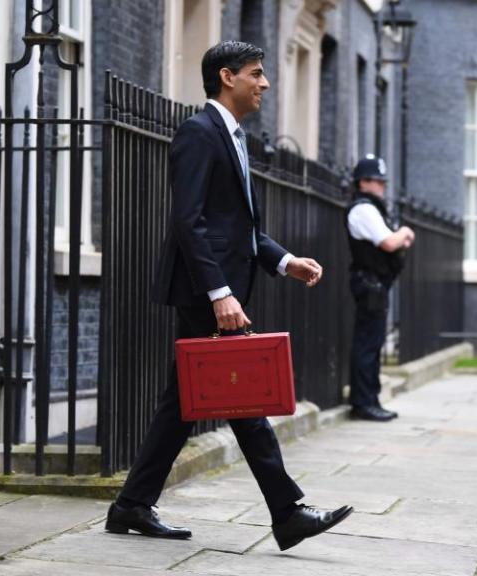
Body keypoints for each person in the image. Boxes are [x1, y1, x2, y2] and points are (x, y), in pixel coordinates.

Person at [105, 41, 353, 552]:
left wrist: (286, 261)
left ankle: (131, 504)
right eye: (256, 74)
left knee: (184, 405)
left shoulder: (236, 137)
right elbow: (188, 221)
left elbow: (240, 228)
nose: (264, 84)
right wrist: (219, 292)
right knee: (243, 396)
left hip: (219, 287)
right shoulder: (199, 133)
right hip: (206, 291)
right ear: (227, 77)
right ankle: (287, 512)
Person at [345, 155, 415, 422]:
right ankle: (363, 402)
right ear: (363, 182)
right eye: (378, 181)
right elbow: (387, 242)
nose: (382, 186)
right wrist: (405, 233)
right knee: (367, 344)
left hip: (374, 283)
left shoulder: (370, 207)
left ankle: (370, 399)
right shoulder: (363, 209)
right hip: (369, 283)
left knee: (373, 343)